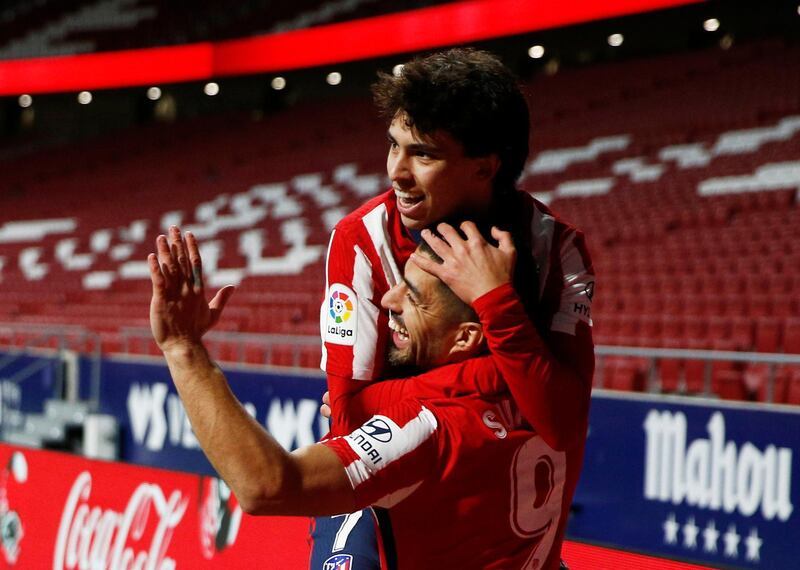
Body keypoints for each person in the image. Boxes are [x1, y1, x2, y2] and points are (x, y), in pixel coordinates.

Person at [148, 224, 568, 569]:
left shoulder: (428, 427)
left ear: (465, 337)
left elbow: (269, 486)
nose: (388, 300)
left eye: (414, 298)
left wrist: (183, 349)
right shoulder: (551, 394)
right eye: (400, 283)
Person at [317, 48, 595, 567]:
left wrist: (496, 302)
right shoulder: (359, 241)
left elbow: (563, 422)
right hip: (384, 495)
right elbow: (348, 420)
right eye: (392, 146)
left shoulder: (557, 249)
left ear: (485, 167)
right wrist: (491, 384)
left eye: (422, 154)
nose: (396, 172)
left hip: (503, 506)